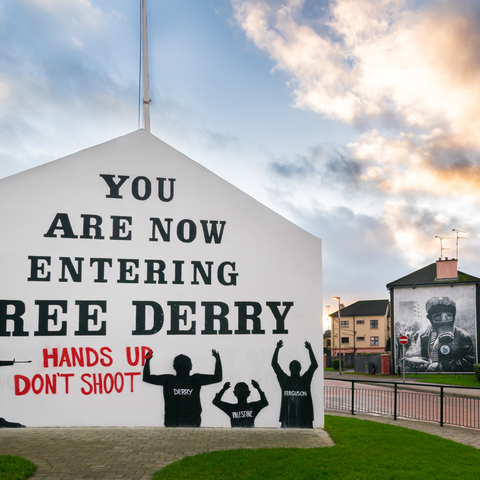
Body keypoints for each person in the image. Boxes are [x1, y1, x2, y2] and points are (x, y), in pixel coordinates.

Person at [143, 349, 222, 427]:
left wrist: (147, 360)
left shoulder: (168, 380)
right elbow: (217, 377)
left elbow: (147, 378)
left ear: (174, 367)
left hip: (172, 420)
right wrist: (217, 359)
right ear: (190, 367)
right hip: (192, 420)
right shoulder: (195, 379)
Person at [405, 296, 475, 372]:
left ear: (454, 317)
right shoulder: (425, 337)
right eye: (438, 316)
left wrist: (441, 366)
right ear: (430, 318)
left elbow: (469, 361)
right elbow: (423, 358)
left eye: (448, 315)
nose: (444, 320)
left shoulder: (463, 336)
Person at [271, 340, 317, 428]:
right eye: (294, 367)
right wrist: (309, 349)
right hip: (295, 418)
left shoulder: (287, 380)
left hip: (298, 417)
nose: (295, 369)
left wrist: (277, 348)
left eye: (296, 367)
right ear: (300, 368)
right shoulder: (303, 380)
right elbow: (314, 365)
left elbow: (274, 364)